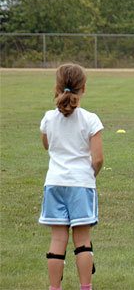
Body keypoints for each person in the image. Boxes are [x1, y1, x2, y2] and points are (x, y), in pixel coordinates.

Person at [39, 63, 104, 290]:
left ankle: (54, 288)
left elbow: (48, 145)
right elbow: (97, 159)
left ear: (57, 86)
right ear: (83, 88)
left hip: (54, 183)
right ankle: (86, 287)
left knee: (57, 240)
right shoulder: (90, 119)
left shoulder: (48, 118)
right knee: (83, 242)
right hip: (81, 184)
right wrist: (90, 176)